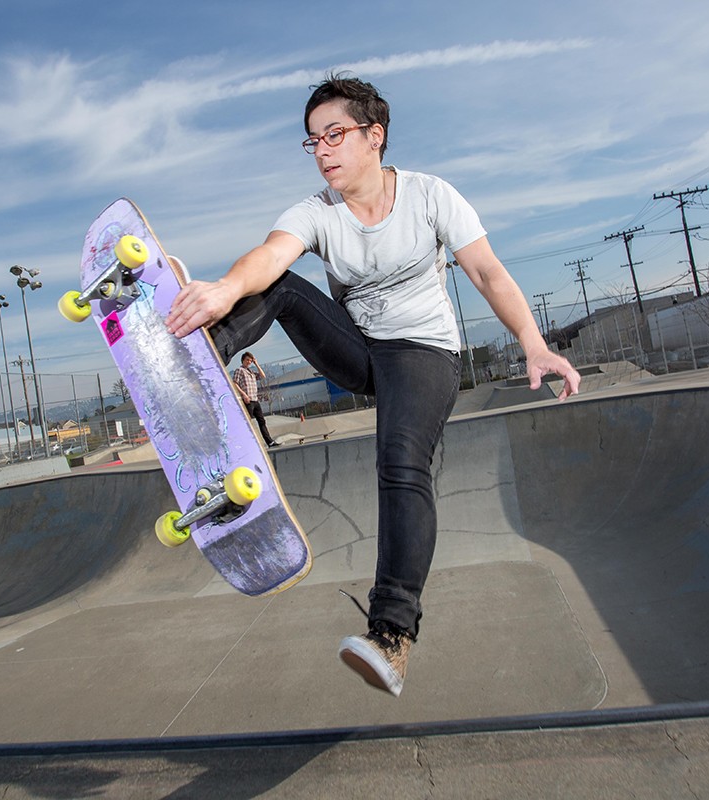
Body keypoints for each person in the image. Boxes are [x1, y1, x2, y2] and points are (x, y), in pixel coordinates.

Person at [166, 73, 580, 697]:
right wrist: (225, 289)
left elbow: (488, 272)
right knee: (274, 287)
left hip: (424, 353)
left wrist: (534, 343)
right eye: (313, 141)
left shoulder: (431, 196)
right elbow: (271, 256)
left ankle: (392, 636)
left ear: (374, 136)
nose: (324, 151)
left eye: (335, 135)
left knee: (402, 463)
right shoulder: (315, 212)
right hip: (360, 351)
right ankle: (204, 354)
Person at [232, 351, 279, 448]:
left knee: (261, 421)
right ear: (243, 360)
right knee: (247, 423)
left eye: (250, 360)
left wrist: (256, 363)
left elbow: (262, 376)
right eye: (247, 360)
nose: (249, 362)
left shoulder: (251, 372)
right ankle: (243, 444)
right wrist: (244, 394)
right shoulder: (239, 370)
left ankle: (269, 441)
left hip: (255, 399)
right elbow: (234, 383)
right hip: (247, 400)